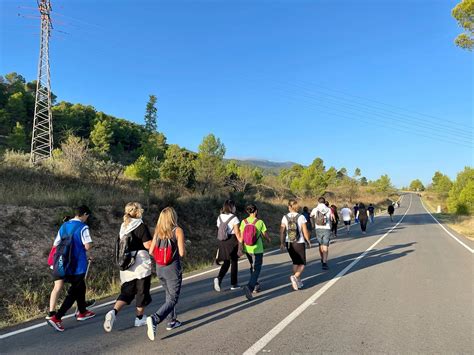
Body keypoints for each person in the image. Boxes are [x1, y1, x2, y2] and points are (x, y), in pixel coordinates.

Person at [103, 202, 153, 332]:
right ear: (138, 212)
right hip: (140, 264)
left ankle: (113, 312)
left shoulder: (123, 226)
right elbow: (148, 245)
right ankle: (139, 318)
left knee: (127, 292)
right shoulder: (140, 226)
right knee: (142, 292)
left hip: (126, 265)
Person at [47, 206, 95, 332]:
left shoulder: (64, 226)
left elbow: (56, 244)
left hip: (64, 263)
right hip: (78, 263)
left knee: (80, 286)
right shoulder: (83, 227)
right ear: (84, 214)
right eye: (87, 216)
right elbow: (87, 246)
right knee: (74, 291)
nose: (87, 219)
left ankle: (82, 311)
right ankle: (57, 317)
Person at [146, 207, 186, 341]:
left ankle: (172, 321)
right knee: (173, 298)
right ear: (173, 217)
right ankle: (155, 319)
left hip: (160, 268)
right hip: (172, 269)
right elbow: (181, 253)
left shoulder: (158, 231)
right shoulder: (178, 231)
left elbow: (151, 251)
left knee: (168, 295)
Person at [240, 204, 271, 300]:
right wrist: (269, 239)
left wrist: (240, 247)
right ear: (256, 211)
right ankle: (250, 287)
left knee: (251, 266)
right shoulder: (260, 222)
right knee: (257, 268)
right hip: (258, 248)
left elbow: (241, 237)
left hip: (247, 248)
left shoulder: (243, 222)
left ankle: (256, 285)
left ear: (248, 212)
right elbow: (264, 234)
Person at [280, 200, 311, 291]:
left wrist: (282, 243)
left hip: (289, 242)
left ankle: (297, 280)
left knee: (295, 262)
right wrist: (308, 240)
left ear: (289, 207)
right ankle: (295, 277)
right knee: (302, 263)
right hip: (299, 242)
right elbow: (305, 231)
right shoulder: (301, 217)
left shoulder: (284, 217)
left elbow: (282, 231)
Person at [214, 199, 242, 291]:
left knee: (226, 261)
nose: (235, 208)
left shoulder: (219, 217)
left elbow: (220, 229)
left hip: (222, 241)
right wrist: (241, 242)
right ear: (231, 207)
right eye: (234, 206)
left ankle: (218, 278)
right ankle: (234, 284)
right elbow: (237, 232)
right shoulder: (234, 218)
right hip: (232, 240)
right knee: (234, 262)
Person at [311, 197, 332, 270]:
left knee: (320, 244)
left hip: (318, 228)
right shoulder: (328, 209)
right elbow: (331, 218)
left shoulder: (315, 209)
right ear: (324, 201)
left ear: (318, 202)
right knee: (325, 245)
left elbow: (311, 216)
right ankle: (324, 262)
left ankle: (322, 257)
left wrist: (313, 224)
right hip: (327, 228)